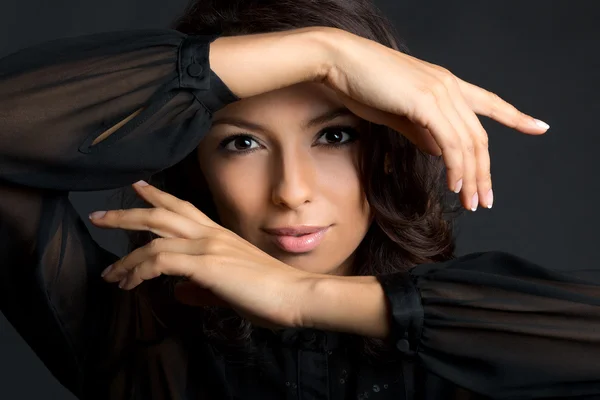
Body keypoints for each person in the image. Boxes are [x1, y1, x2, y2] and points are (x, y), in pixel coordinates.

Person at [0, 0, 599, 399]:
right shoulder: (129, 336)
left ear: (390, 149)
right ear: (194, 162)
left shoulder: (487, 332)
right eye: (241, 142)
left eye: (335, 136)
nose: (292, 191)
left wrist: (304, 297)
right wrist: (324, 52)